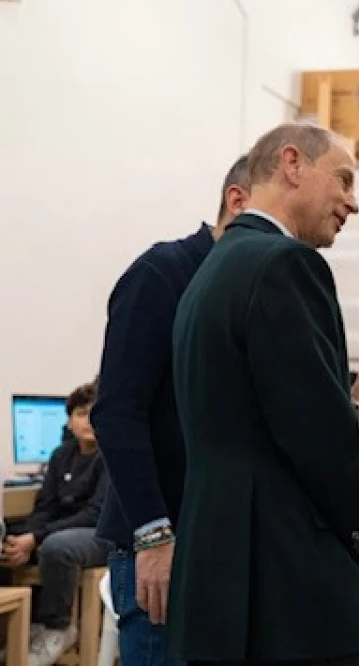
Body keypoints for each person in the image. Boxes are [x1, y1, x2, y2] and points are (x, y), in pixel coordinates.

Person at [170, 122, 359, 665]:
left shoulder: (212, 271)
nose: (352, 203)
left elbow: (255, 408)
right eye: (345, 180)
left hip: (219, 571)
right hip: (289, 573)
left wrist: (344, 399)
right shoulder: (286, 264)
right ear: (292, 163)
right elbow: (321, 440)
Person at [90, 154, 248, 666]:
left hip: (222, 547)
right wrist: (154, 537)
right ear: (237, 200)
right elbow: (116, 412)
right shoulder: (163, 273)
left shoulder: (246, 289)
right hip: (165, 543)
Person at [1, 381, 111, 665]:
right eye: (80, 413)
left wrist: (35, 538)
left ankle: (58, 628)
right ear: (69, 419)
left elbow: (94, 514)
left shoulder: (111, 455)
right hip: (60, 530)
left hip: (101, 533)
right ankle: (10, 632)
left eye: (94, 412)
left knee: (56, 547)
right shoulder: (61, 455)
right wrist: (23, 538)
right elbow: (45, 507)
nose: (88, 420)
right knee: (7, 537)